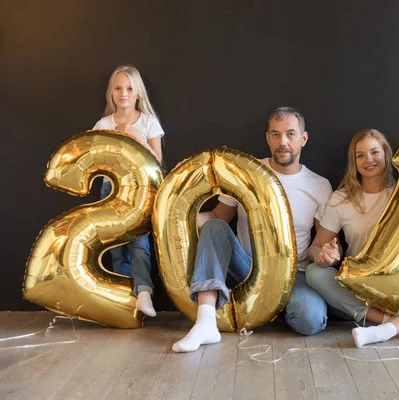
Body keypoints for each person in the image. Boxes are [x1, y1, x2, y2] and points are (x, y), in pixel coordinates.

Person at [172, 107, 333, 353]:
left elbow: (317, 244)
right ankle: (205, 322)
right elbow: (217, 217)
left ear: (304, 138)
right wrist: (174, 216)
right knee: (215, 227)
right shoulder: (245, 173)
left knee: (310, 319)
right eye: (276, 135)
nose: (283, 142)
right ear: (267, 138)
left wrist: (324, 254)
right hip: (246, 268)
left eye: (290, 134)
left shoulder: (320, 185)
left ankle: (269, 311)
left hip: (292, 275)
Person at [305, 129, 399, 347]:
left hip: (397, 286)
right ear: (354, 161)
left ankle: (389, 329)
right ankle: (395, 322)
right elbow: (315, 248)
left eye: (375, 152)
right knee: (314, 273)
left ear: (386, 154)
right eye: (360, 155)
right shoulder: (341, 200)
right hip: (355, 288)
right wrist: (322, 255)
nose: (368, 159)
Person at [94, 65, 165, 318]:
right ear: (111, 93)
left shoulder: (147, 122)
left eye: (129, 88)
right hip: (109, 190)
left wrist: (139, 138)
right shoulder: (103, 124)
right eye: (118, 88)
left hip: (139, 191)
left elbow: (158, 162)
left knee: (138, 242)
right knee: (116, 245)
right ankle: (125, 300)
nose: (123, 93)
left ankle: (144, 291)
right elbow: (94, 159)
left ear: (137, 94)